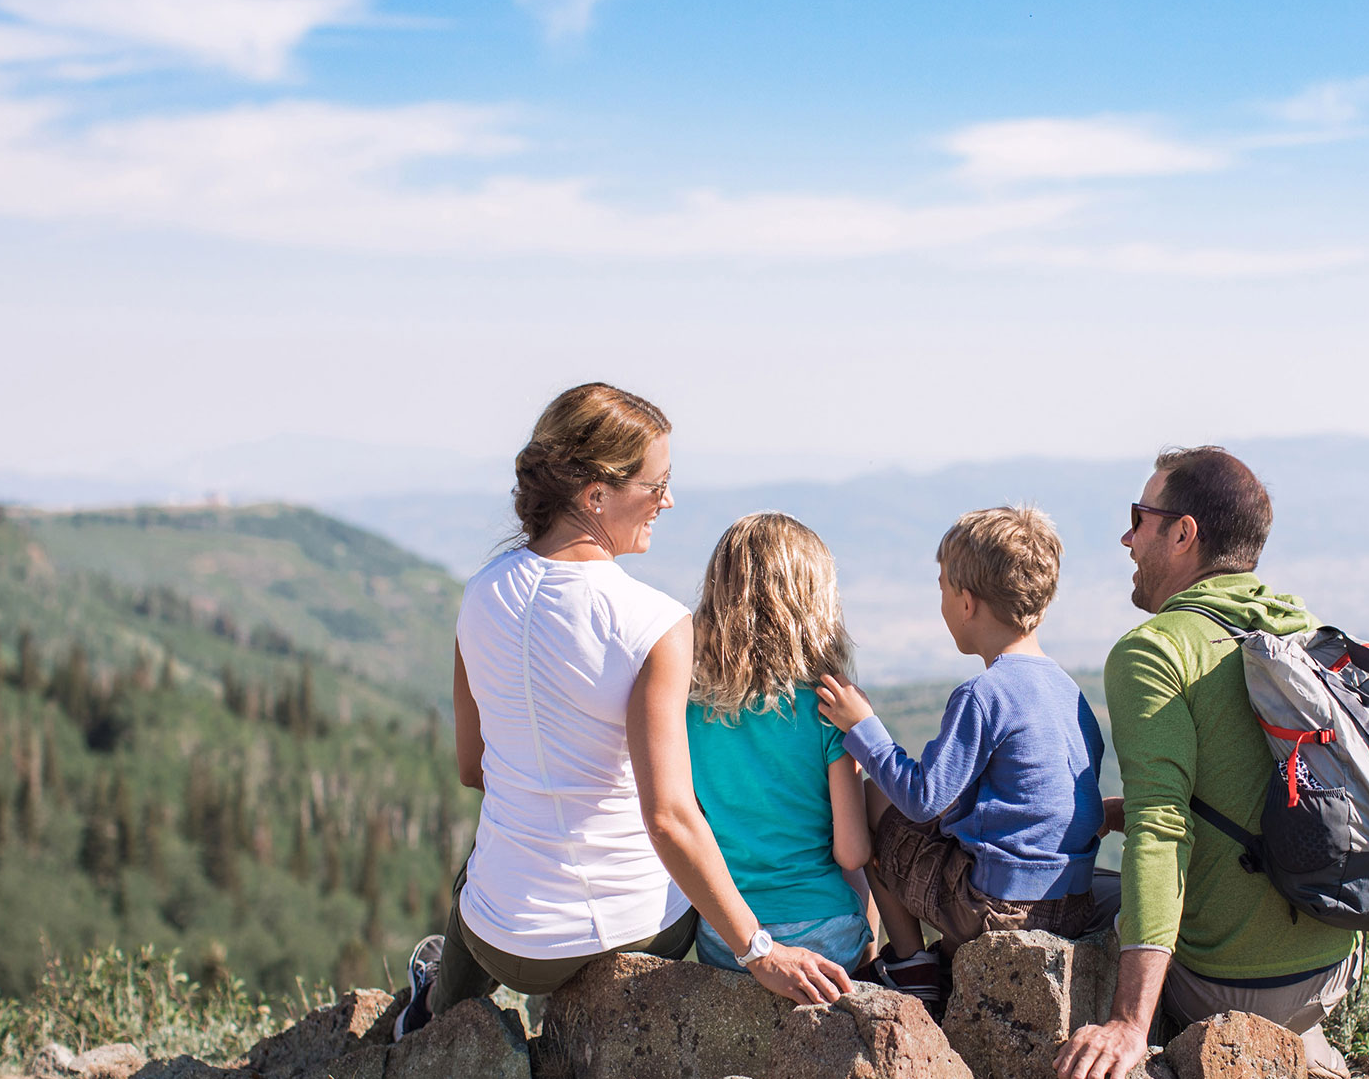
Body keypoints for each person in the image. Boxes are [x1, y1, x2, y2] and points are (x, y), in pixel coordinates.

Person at [393, 383, 851, 1039]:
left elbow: (474, 768)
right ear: (596, 495)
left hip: (505, 945)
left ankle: (438, 1012)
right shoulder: (657, 624)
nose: (668, 500)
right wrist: (761, 951)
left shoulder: (479, 595)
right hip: (635, 935)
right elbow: (668, 819)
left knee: (490, 844)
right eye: (655, 485)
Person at [1053, 446, 1361, 1079]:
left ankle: (1184, 1035)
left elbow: (1164, 829)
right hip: (1334, 967)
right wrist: (1118, 812)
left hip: (1231, 982)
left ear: (1183, 532)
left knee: (1070, 896)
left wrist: (1127, 1025)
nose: (1127, 538)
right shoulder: (1300, 628)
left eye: (1139, 518)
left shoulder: (1153, 652)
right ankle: (1304, 1046)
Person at [814, 505, 1105, 1011]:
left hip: (997, 910)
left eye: (944, 588)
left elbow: (924, 800)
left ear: (966, 603)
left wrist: (862, 727)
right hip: (1070, 904)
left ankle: (912, 963)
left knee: (875, 797)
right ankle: (943, 956)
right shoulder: (1068, 691)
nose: (944, 602)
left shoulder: (984, 694)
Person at [685, 512, 876, 974]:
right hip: (829, 935)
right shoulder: (830, 707)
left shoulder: (688, 711)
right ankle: (877, 970)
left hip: (729, 941)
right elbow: (852, 853)